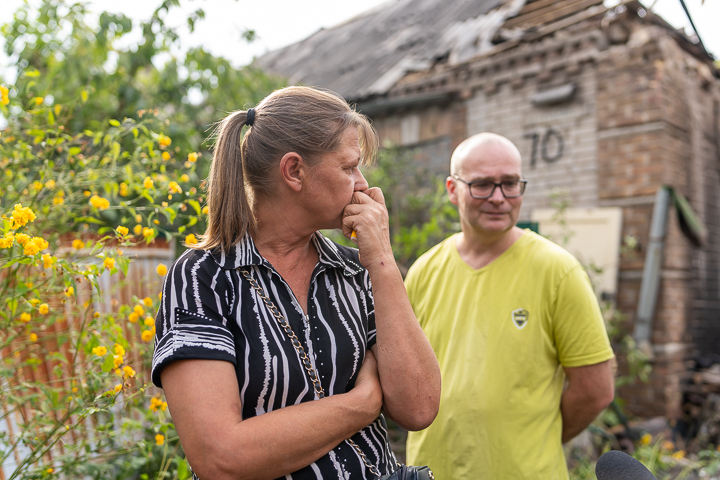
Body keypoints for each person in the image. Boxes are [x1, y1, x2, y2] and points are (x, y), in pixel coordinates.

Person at [151, 86, 441, 480]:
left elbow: (419, 407)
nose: (362, 184)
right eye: (348, 167)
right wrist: (363, 402)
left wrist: (383, 263)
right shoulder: (205, 277)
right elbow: (220, 456)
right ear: (294, 171)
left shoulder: (357, 271)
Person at [404, 132, 615, 480]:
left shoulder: (558, 271)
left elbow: (595, 390)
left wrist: (535, 439)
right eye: (483, 184)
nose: (499, 198)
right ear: (453, 189)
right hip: (432, 471)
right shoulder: (424, 271)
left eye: (510, 183)